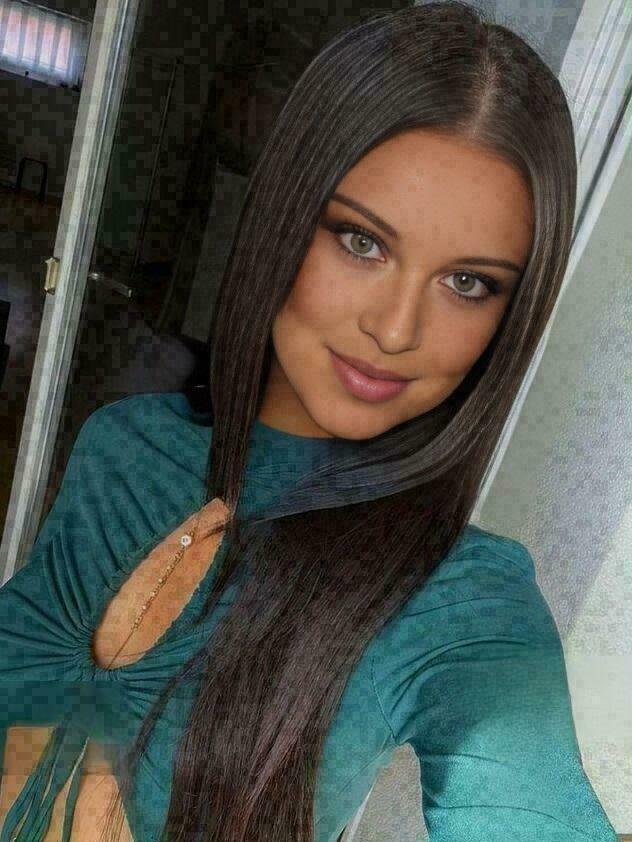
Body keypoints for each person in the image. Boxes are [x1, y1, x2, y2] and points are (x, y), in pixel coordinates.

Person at [0, 2, 618, 841]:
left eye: (468, 284)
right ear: (283, 221)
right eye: (362, 242)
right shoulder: (124, 450)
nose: (395, 330)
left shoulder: (462, 601)